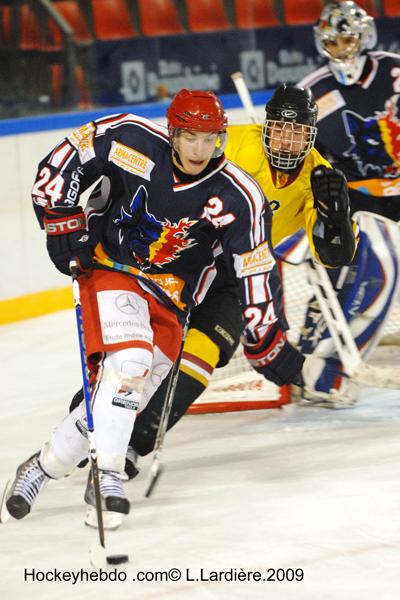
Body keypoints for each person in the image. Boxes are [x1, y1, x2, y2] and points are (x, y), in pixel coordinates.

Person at [4, 89, 308, 522]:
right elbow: (66, 157)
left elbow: (254, 274)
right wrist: (62, 223)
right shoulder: (130, 138)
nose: (200, 150)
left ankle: (41, 467)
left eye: (210, 139)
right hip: (113, 268)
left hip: (172, 299)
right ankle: (108, 472)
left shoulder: (241, 198)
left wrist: (266, 342)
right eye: (190, 138)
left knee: (125, 397)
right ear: (172, 132)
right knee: (129, 364)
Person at [70, 84, 357, 529]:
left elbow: (333, 256)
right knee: (138, 352)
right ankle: (83, 424)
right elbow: (165, 169)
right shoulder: (230, 141)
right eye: (280, 130)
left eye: (297, 134)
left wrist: (336, 217)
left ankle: (135, 441)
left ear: (311, 137)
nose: (287, 142)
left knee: (205, 354)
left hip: (238, 275)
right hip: (186, 260)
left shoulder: (318, 178)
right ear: (266, 128)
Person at [295, 0, 400, 405]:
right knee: (370, 271)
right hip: (355, 197)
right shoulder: (312, 91)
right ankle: (317, 362)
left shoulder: (393, 72)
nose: (342, 48)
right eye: (333, 41)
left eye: (349, 38)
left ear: (365, 36)